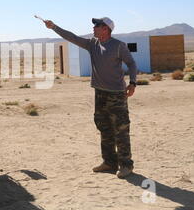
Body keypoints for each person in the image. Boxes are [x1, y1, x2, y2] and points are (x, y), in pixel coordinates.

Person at [43, 17, 137, 179]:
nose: (93, 28)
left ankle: (126, 165)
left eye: (97, 25)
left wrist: (133, 83)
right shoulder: (92, 44)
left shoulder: (118, 46)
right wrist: (54, 27)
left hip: (116, 94)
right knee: (104, 127)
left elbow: (132, 64)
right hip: (99, 92)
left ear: (106, 29)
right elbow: (72, 37)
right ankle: (109, 162)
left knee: (120, 129)